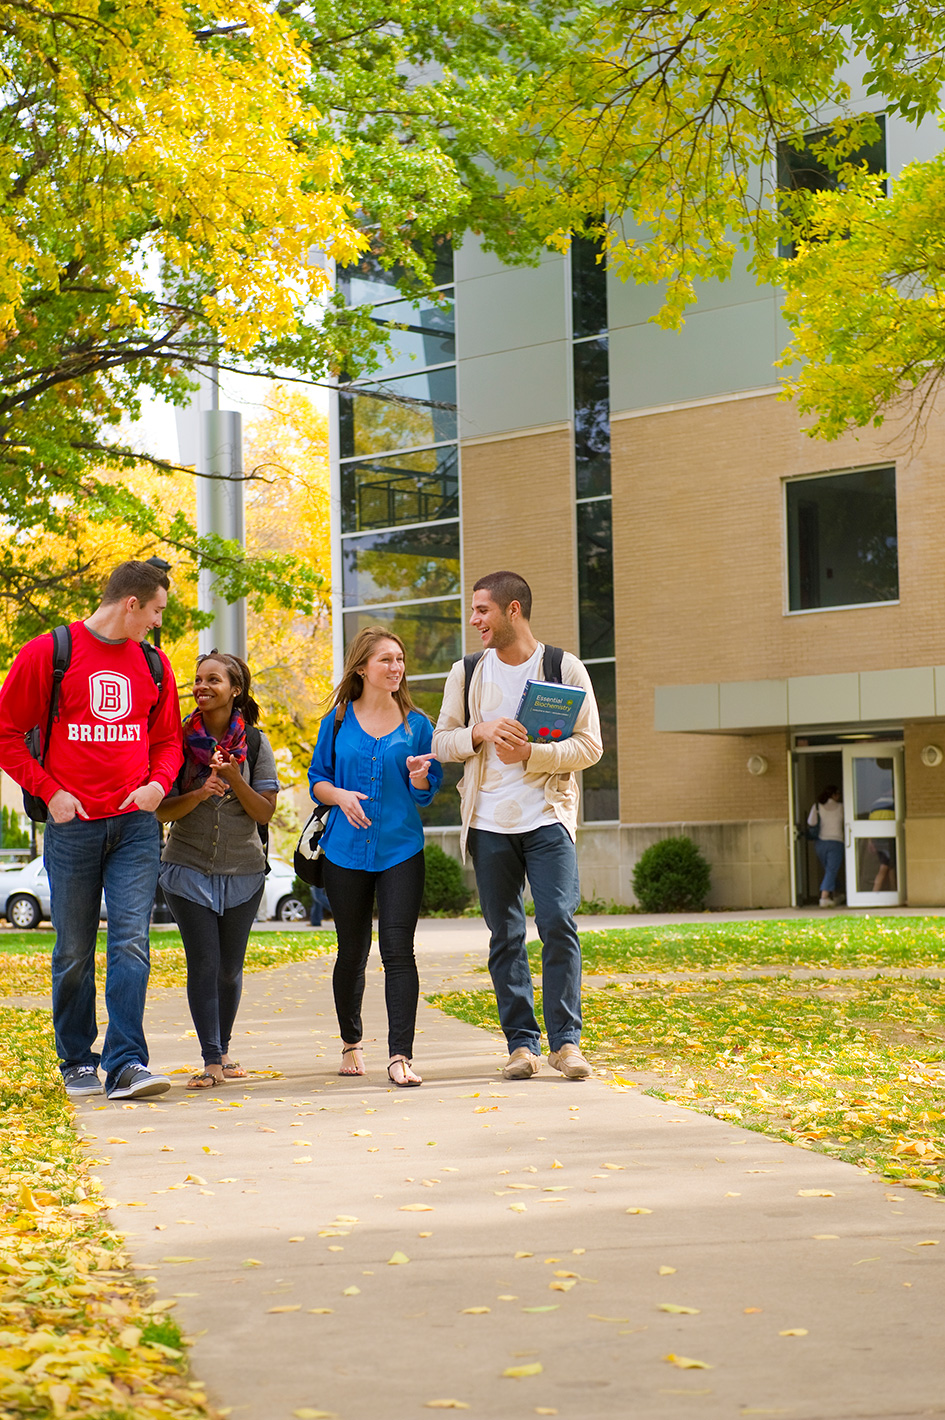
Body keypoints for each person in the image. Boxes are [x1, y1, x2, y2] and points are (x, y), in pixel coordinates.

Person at [0, 560, 183, 1099]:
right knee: (74, 948)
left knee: (132, 942)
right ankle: (77, 1059)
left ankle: (127, 1063)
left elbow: (168, 740)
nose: (157, 623)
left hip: (134, 826)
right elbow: (8, 733)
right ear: (132, 604)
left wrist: (157, 786)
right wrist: (49, 791)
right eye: (155, 612)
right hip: (72, 827)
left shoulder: (154, 664)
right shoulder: (49, 653)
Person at [432, 571, 603, 1081]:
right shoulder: (465, 672)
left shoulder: (563, 667)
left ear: (513, 610)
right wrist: (477, 732)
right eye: (473, 610)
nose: (474, 620)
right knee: (505, 933)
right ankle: (521, 1045)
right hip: (487, 821)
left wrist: (534, 753)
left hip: (548, 816)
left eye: (482, 610)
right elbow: (441, 743)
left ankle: (566, 1044)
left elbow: (590, 747)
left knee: (557, 923)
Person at [308, 627, 441, 1087]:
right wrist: (341, 796)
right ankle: (350, 1042)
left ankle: (400, 1056)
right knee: (352, 951)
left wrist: (421, 777)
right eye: (386, 659)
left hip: (401, 850)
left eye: (400, 659)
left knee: (398, 950)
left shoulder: (417, 725)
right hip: (344, 853)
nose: (397, 667)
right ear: (362, 667)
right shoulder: (339, 720)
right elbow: (317, 780)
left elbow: (424, 795)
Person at [157, 652, 279, 1090]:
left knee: (230, 968)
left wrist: (235, 777)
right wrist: (201, 791)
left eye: (213, 680)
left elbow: (264, 813)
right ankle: (211, 1059)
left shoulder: (258, 745)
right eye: (197, 680)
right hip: (186, 868)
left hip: (243, 871)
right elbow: (160, 811)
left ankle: (223, 1050)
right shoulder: (175, 742)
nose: (201, 687)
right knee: (204, 963)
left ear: (235, 689)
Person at [808, 785, 844, 907]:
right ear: (834, 795)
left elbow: (811, 822)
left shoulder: (817, 806)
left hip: (820, 843)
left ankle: (837, 893)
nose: (839, 796)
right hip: (836, 842)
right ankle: (824, 897)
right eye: (838, 794)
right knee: (831, 870)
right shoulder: (841, 807)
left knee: (829, 870)